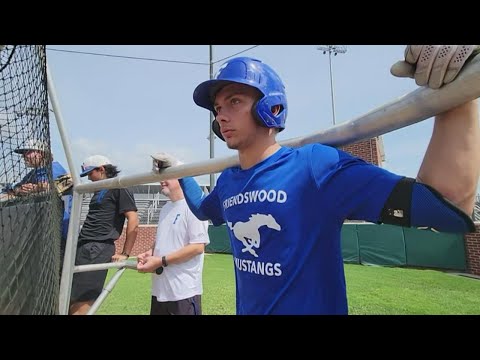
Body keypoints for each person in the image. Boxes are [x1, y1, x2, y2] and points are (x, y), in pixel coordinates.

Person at [151, 46, 480, 315]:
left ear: (271, 108)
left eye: (234, 102)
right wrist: (180, 169)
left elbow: (447, 204)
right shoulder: (228, 181)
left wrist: (456, 97)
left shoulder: (314, 166)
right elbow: (204, 210)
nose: (221, 115)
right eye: (218, 107)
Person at [69, 155, 139, 315]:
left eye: (89, 173)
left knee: (82, 301)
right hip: (85, 246)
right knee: (71, 297)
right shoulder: (101, 188)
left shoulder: (119, 186)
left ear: (101, 169)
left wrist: (125, 253)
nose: (88, 178)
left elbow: (133, 218)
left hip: (97, 247)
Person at [136, 178, 210, 315]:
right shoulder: (165, 208)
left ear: (181, 180)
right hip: (160, 290)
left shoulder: (193, 207)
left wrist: (160, 261)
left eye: (168, 176)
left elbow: (198, 247)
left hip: (183, 292)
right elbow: (164, 239)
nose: (161, 180)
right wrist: (150, 252)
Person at [0, 139, 72, 261]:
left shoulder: (55, 168)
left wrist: (36, 188)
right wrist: (19, 190)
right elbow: (12, 190)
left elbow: (55, 185)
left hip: (59, 230)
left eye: (28, 152)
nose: (24, 156)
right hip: (40, 230)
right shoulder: (32, 174)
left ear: (42, 154)